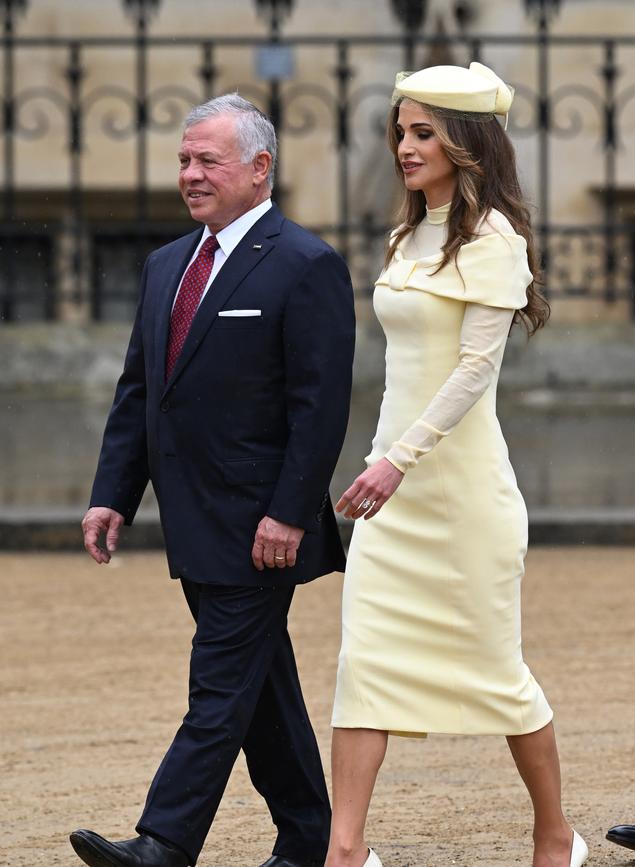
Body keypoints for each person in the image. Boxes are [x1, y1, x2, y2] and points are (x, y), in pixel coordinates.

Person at [70, 94, 356, 867]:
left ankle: (165, 840)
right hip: (191, 517)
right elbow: (142, 392)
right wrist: (111, 493)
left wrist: (291, 514)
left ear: (260, 170)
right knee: (261, 686)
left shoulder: (307, 264)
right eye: (184, 161)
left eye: (208, 161)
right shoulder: (167, 264)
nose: (190, 175)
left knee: (221, 681)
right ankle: (310, 839)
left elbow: (320, 406)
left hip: (264, 525)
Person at [325, 64, 589, 867]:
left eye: (422, 133)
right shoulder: (408, 235)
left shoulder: (498, 240)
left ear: (465, 144)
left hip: (463, 498)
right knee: (363, 662)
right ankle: (346, 850)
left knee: (497, 673)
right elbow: (402, 371)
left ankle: (556, 837)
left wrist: (395, 462)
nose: (404, 147)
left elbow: (474, 370)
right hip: (391, 494)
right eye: (400, 131)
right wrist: (382, 462)